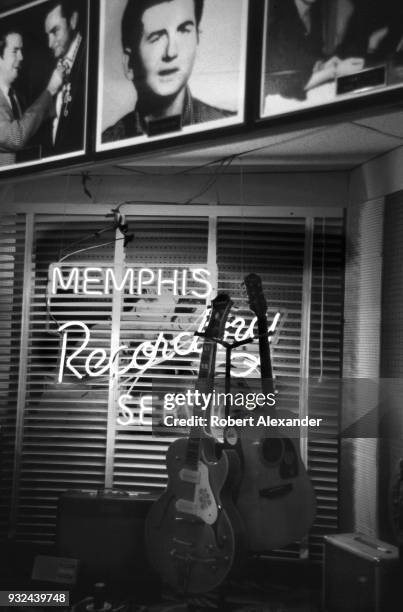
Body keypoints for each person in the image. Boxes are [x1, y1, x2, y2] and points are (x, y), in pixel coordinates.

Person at [102, 0, 234, 142]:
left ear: (197, 38)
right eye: (156, 37)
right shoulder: (109, 141)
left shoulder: (228, 126)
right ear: (129, 65)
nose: (171, 52)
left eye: (183, 30)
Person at [0, 27, 64, 167]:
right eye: (15, 51)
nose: (21, 57)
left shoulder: (17, 97)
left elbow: (31, 124)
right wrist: (50, 90)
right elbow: (16, 138)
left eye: (21, 51)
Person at [42, 0, 86, 155]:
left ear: (73, 20)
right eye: (47, 35)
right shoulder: (52, 69)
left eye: (55, 31)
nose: (49, 43)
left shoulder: (90, 56)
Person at [264, 0, 325, 101]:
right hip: (276, 99)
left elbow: (316, 51)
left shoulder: (315, 11)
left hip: (307, 95)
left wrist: (324, 63)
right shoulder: (273, 9)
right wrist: (330, 72)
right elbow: (282, 66)